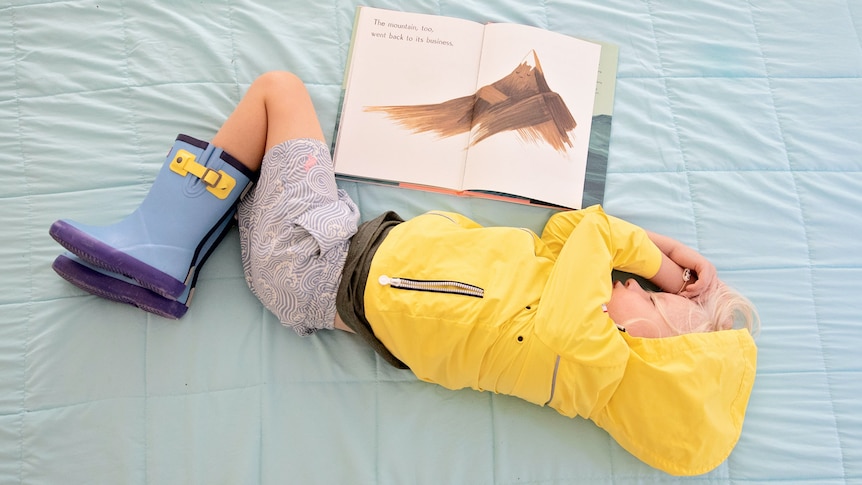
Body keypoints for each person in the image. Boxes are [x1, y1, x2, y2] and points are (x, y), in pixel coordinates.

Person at [49, 71, 759, 477]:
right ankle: (170, 251)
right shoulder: (568, 305)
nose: (634, 285)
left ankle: (158, 247)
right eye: (646, 283)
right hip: (334, 244)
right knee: (263, 156)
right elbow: (572, 230)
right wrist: (667, 252)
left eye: (650, 300)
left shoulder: (588, 356)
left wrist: (658, 262)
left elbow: (597, 231)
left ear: (648, 351)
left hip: (317, 266)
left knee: (277, 91)